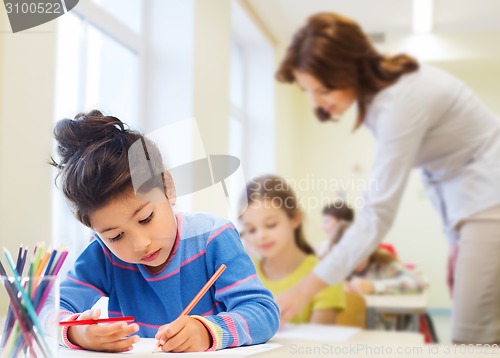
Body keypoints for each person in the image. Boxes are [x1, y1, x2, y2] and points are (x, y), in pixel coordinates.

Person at [275, 12, 500, 344]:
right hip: (473, 205)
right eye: (308, 91)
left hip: (489, 198)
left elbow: (376, 213)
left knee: (472, 338)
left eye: (322, 89)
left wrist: (302, 291)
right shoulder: (381, 100)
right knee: (476, 329)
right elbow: (442, 172)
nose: (316, 102)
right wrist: (456, 239)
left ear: (349, 69)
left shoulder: (400, 101)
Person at [49, 110, 279, 353]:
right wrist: (76, 330)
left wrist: (207, 331)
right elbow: (45, 308)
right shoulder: (102, 255)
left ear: (168, 187)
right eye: (115, 236)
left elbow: (262, 311)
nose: (140, 244)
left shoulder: (213, 237)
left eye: (146, 218)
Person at [240, 175, 345, 324]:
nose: (261, 236)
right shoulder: (244, 275)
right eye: (251, 230)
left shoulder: (324, 276)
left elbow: (318, 343)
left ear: (294, 219)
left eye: (270, 225)